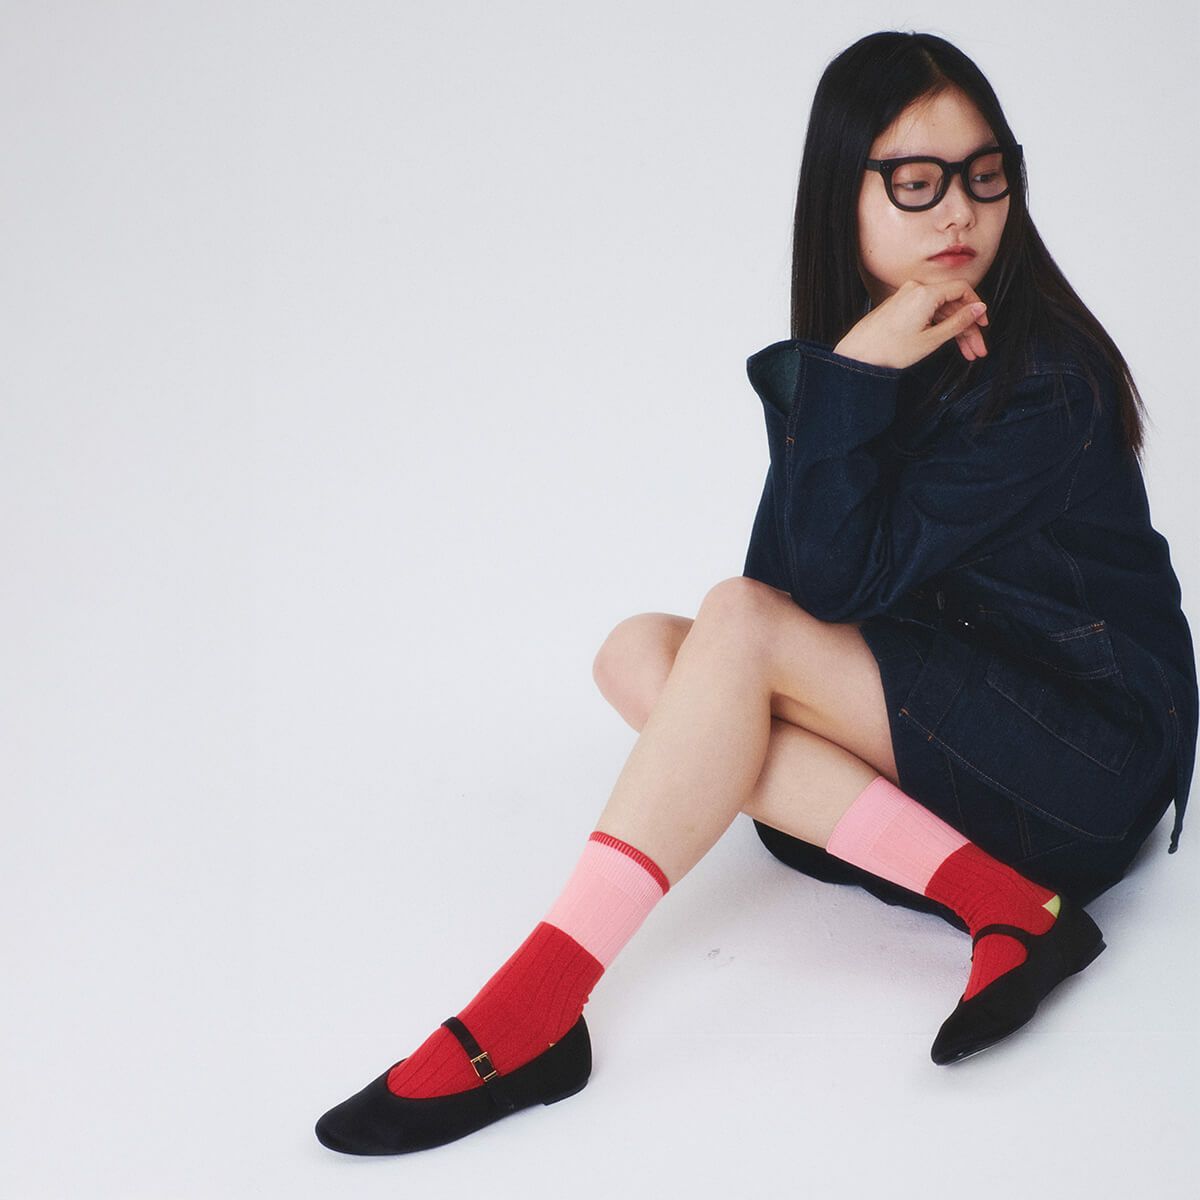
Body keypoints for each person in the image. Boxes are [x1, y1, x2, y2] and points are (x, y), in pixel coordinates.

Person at [314, 30, 1197, 1156]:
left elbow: (800, 601)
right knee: (641, 652)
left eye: (986, 175)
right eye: (917, 182)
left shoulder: (1044, 378)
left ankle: (535, 1007)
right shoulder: (895, 343)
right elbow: (787, 588)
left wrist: (848, 381)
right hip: (971, 718)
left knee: (728, 631)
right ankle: (1002, 902)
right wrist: (853, 368)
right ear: (844, 194)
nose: (960, 212)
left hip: (1085, 757)